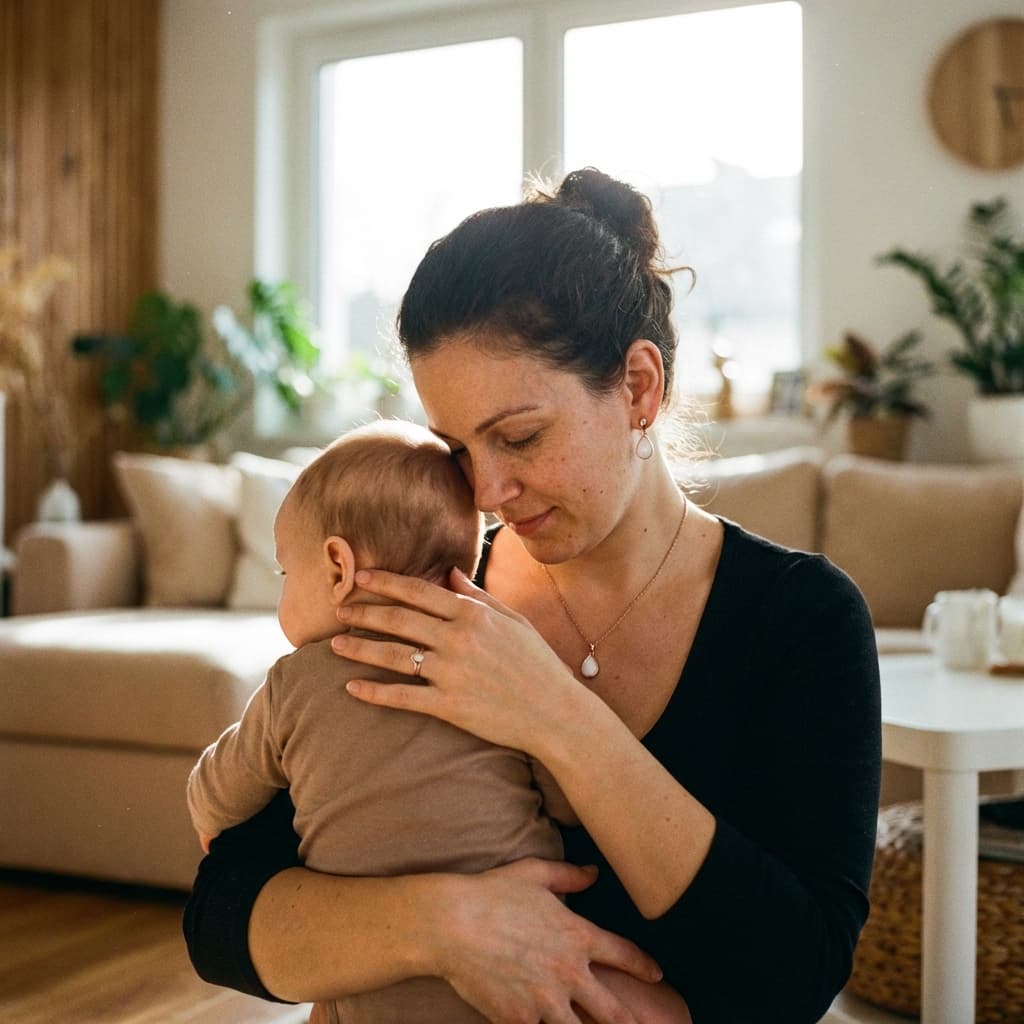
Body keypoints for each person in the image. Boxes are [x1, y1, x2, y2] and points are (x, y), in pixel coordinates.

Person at [184, 167, 881, 1024]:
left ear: (637, 388)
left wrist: (553, 713)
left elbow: (792, 977)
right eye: (455, 449)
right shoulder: (426, 580)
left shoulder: (800, 619)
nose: (485, 492)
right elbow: (222, 912)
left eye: (520, 436)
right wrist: (446, 925)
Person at [186, 418, 689, 1024]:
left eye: (286, 576)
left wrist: (210, 816)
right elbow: (562, 800)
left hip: (375, 986)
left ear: (338, 569)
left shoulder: (294, 683)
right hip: (535, 981)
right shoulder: (496, 670)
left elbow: (219, 791)